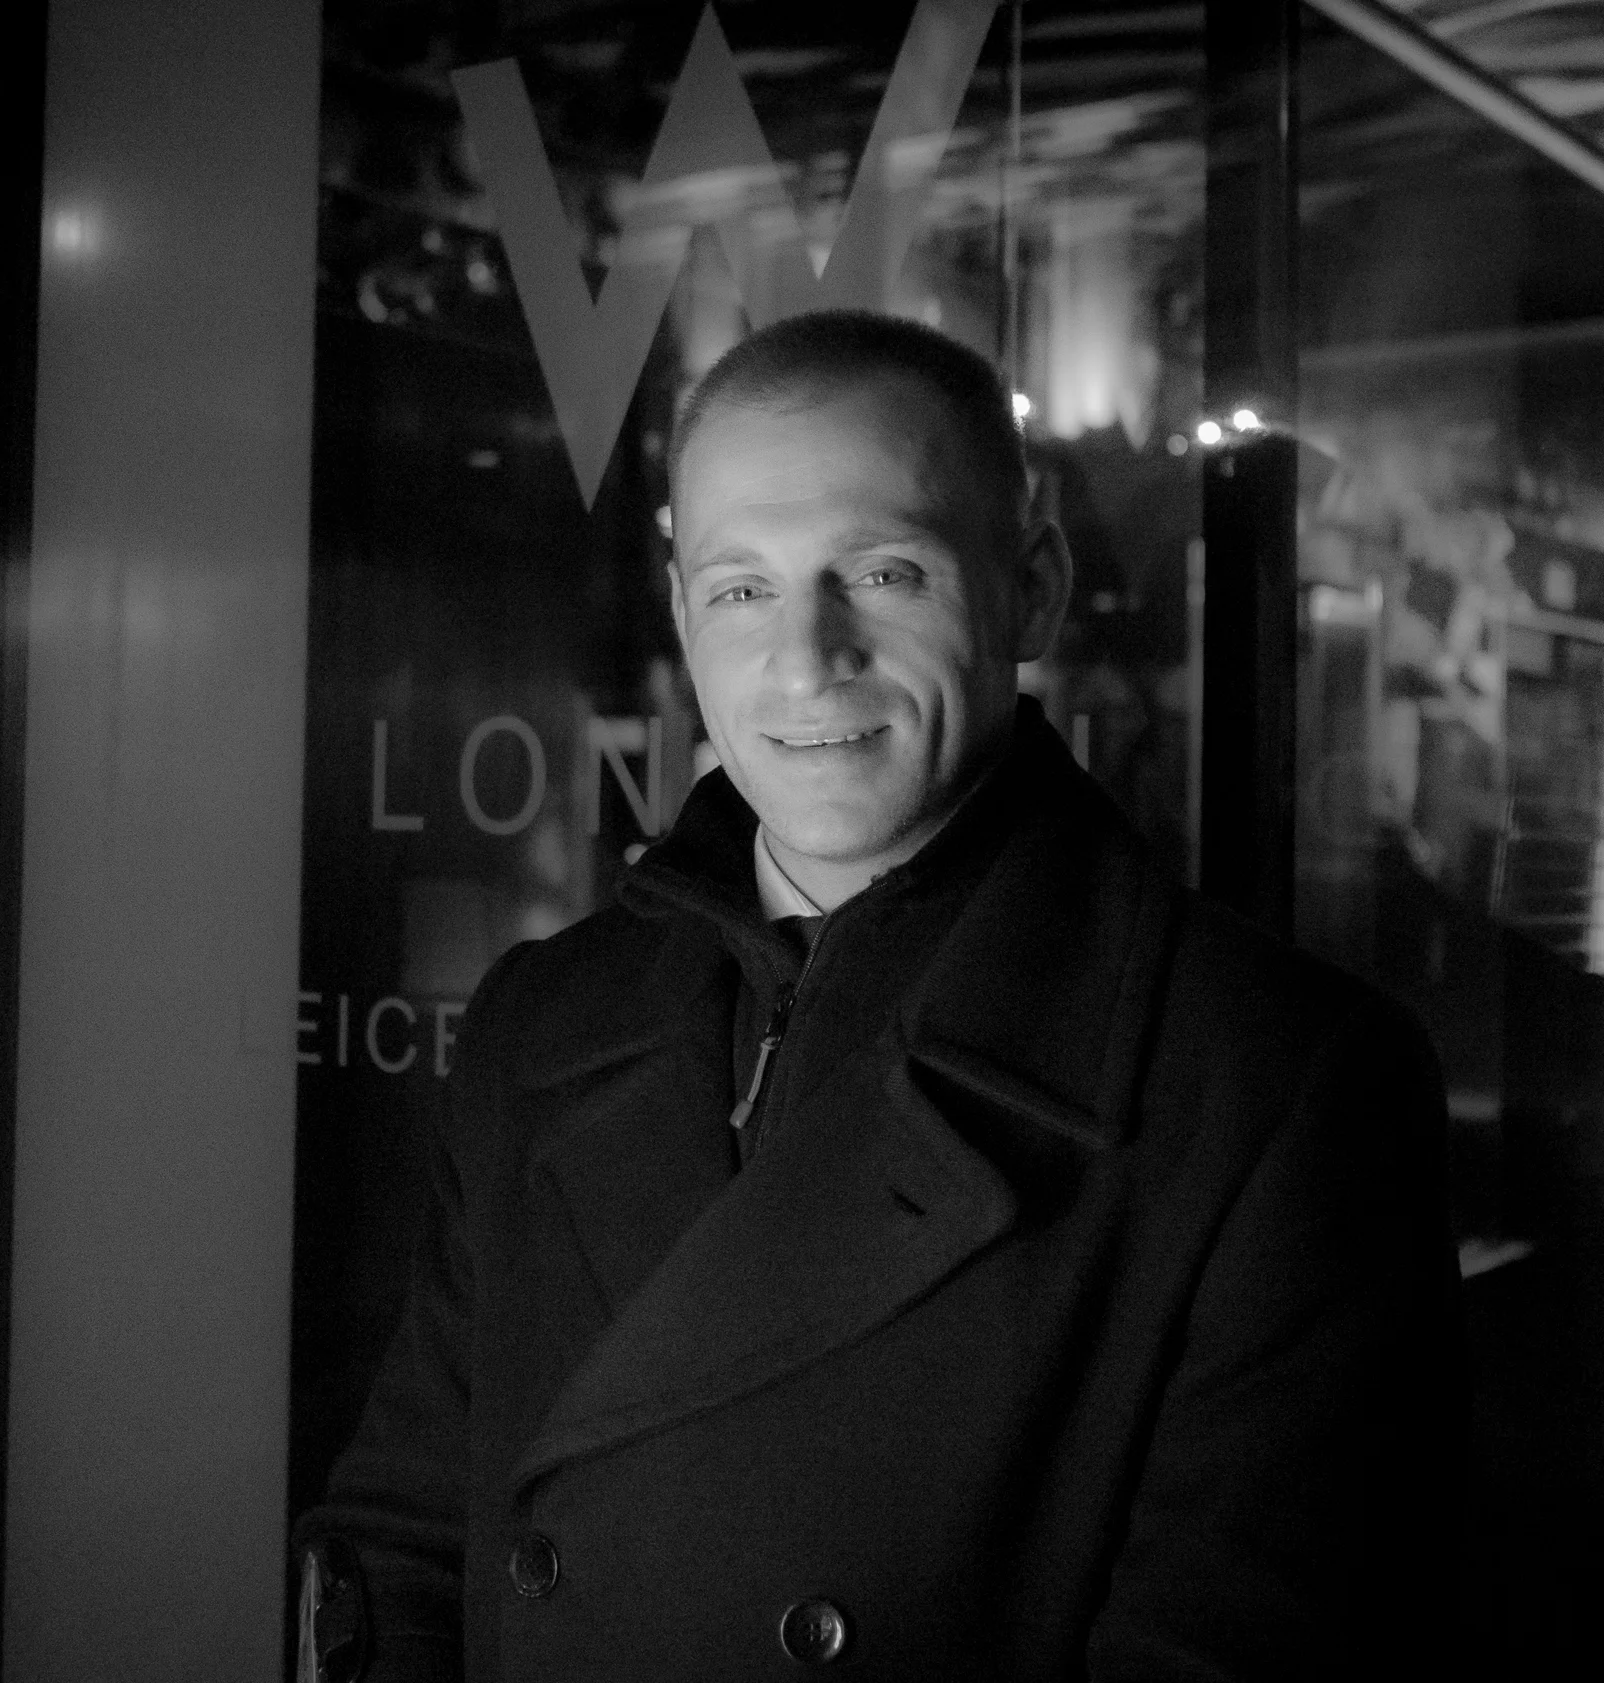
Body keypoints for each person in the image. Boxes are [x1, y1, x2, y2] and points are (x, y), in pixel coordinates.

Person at [294, 311, 1463, 1681]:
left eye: (885, 570)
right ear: (680, 611)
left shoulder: (1276, 1081)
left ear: (1030, 587)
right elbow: (407, 1541)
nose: (807, 655)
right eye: (742, 588)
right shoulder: (540, 1022)